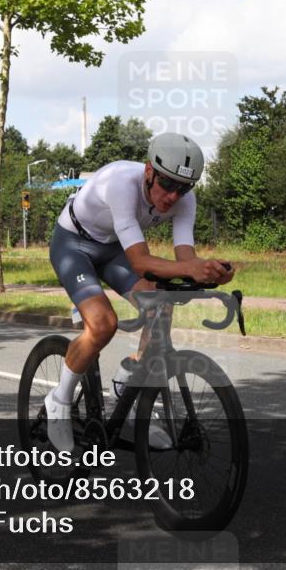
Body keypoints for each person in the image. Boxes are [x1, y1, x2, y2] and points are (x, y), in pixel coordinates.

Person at [45, 132, 234, 452]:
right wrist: (191, 269)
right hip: (73, 244)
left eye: (183, 187)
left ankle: (126, 382)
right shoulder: (121, 183)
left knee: (162, 305)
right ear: (149, 171)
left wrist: (208, 272)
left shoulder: (185, 200)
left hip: (111, 248)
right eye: (167, 184)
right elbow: (140, 260)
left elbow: (184, 257)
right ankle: (59, 401)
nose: (173, 196)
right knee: (103, 323)